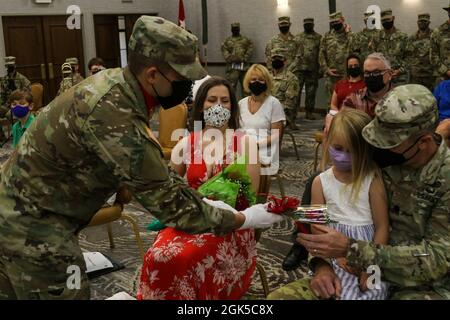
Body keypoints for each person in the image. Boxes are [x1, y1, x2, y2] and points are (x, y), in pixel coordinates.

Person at [0, 16, 283, 300]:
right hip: (33, 228)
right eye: (182, 78)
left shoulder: (118, 87)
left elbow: (148, 171)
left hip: (23, 213)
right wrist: (242, 218)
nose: (187, 86)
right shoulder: (115, 114)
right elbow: (171, 203)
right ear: (152, 75)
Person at [283, 85, 450, 300]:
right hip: (344, 265)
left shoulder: (444, 180)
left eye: (389, 143)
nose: (376, 148)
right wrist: (321, 265)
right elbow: (311, 227)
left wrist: (356, 252)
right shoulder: (333, 176)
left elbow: (437, 260)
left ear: (423, 143)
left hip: (418, 283)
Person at [139, 77, 261, 300]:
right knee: (158, 255)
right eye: (211, 100)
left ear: (232, 107)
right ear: (200, 106)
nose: (218, 106)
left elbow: (249, 198)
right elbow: (166, 186)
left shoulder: (245, 143)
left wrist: (222, 189)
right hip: (191, 217)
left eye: (225, 101)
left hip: (228, 224)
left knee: (188, 257)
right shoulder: (187, 143)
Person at [271, 108, 390, 300]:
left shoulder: (372, 179)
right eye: (338, 148)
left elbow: (382, 226)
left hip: (370, 253)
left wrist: (371, 264)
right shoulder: (318, 182)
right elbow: (316, 228)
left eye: (351, 151)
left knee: (374, 292)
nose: (343, 156)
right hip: (334, 257)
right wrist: (334, 258)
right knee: (337, 293)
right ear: (327, 142)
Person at [239, 64, 285, 179]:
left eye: (261, 80)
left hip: (265, 149)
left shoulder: (274, 103)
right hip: (243, 147)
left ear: (267, 82)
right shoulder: (241, 103)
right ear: (248, 82)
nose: (257, 82)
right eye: (253, 79)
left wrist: (255, 146)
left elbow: (276, 136)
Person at [342, 52, 394, 119]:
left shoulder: (402, 98)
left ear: (389, 74)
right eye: (367, 73)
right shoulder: (353, 100)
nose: (371, 76)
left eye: (376, 72)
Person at [325, 54, 366, 135]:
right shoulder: (340, 84)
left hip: (356, 118)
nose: (353, 68)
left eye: (355, 65)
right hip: (339, 117)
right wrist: (339, 115)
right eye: (350, 66)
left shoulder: (365, 84)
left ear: (360, 66)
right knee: (329, 118)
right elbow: (333, 104)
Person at [290, 17, 322, 120]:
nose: (308, 26)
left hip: (313, 69)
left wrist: (321, 69)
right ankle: (294, 112)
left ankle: (309, 111)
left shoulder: (319, 38)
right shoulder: (297, 38)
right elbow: (292, 54)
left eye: (310, 24)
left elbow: (321, 54)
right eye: (306, 24)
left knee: (311, 92)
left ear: (313, 25)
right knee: (296, 91)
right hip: (299, 69)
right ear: (303, 25)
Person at [319, 12, 352, 104]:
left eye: (336, 21)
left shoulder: (349, 35)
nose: (334, 24)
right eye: (332, 22)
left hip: (346, 75)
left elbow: (355, 47)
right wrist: (326, 69)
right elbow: (321, 54)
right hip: (331, 76)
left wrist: (348, 33)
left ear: (342, 19)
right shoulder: (327, 36)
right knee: (331, 102)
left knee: (347, 101)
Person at [373, 9, 409, 86]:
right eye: (383, 20)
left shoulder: (403, 37)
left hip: (400, 78)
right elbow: (373, 57)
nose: (386, 22)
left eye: (388, 19)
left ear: (393, 18)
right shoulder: (376, 37)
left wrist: (399, 71)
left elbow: (409, 57)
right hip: (382, 78)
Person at [0, 56, 31, 142]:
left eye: (11, 66)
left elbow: (28, 95)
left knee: (14, 114)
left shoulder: (22, 79)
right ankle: (1, 137)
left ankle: (21, 133)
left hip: (19, 105)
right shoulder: (4, 80)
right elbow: (2, 96)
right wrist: (3, 105)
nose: (10, 68)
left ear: (15, 66)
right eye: (8, 66)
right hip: (7, 106)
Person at [221, 22, 254, 96]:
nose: (235, 30)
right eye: (233, 29)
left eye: (236, 28)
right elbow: (224, 50)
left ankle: (246, 106)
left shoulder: (245, 40)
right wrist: (230, 58)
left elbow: (250, 48)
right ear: (231, 29)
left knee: (246, 88)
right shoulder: (227, 41)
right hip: (232, 68)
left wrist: (245, 58)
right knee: (231, 89)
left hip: (244, 67)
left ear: (239, 29)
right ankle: (232, 106)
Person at [271, 48, 300, 130]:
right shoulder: (267, 76)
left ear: (285, 61)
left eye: (279, 58)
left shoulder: (291, 78)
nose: (276, 60)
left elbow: (290, 104)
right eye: (274, 58)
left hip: (282, 113)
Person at [406, 13, 436, 92]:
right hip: (416, 75)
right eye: (420, 21)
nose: (422, 23)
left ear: (429, 22)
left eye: (424, 21)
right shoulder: (412, 38)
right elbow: (408, 56)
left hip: (430, 75)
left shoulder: (435, 36)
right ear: (417, 22)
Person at [430, 2, 450, 82]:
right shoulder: (438, 32)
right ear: (448, 12)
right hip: (443, 78)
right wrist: (446, 71)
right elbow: (433, 57)